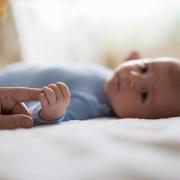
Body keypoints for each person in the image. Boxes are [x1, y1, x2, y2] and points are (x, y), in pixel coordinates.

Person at [0, 51, 180, 128]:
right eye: (144, 68)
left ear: (141, 119)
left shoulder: (90, 103)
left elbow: (37, 118)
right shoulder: (111, 79)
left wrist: (53, 111)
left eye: (144, 94)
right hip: (9, 72)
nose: (133, 77)